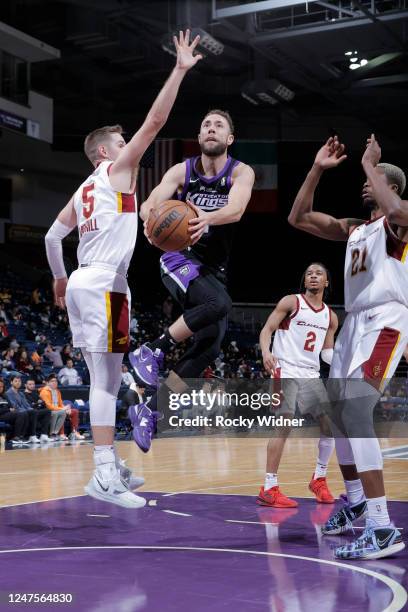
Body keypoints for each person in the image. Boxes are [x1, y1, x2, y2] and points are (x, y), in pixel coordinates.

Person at [44, 30, 202, 508]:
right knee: (106, 382)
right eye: (120, 140)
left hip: (88, 282)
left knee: (105, 379)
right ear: (105, 153)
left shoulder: (83, 190)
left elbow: (54, 238)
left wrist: (59, 279)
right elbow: (155, 122)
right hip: (104, 284)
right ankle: (103, 474)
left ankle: (110, 467)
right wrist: (179, 70)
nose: (128, 142)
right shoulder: (116, 173)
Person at [288, 134, 408, 560]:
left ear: (390, 186)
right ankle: (357, 498)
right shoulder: (356, 229)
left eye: (376, 180)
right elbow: (297, 217)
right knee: (336, 418)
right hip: (355, 323)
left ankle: (381, 526)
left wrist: (371, 164)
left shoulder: (398, 221)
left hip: (387, 320)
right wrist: (317, 168)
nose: (365, 183)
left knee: (356, 409)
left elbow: (396, 210)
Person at [129, 109, 255, 452]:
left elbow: (238, 209)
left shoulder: (241, 172)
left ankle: (150, 411)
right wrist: (150, 218)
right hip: (179, 258)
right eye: (205, 125)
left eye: (218, 126)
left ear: (229, 139)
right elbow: (149, 204)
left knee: (208, 350)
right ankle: (152, 348)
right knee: (220, 304)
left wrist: (206, 218)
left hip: (215, 271)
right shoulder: (181, 171)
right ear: (200, 137)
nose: (210, 128)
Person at [258, 263, 338, 508]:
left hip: (310, 374)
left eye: (319, 273)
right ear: (305, 281)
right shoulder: (291, 302)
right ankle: (269, 487)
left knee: (330, 425)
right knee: (284, 424)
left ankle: (319, 479)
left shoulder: (331, 316)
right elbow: (267, 329)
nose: (313, 276)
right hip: (286, 368)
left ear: (326, 283)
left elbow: (327, 353)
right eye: (309, 273)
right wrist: (265, 352)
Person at [5, 375, 50, 444]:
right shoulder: (8, 393)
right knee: (31, 412)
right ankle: (31, 435)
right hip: (17, 412)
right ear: (11, 382)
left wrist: (31, 409)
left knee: (46, 411)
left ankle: (43, 434)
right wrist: (29, 410)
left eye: (19, 381)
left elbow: (27, 405)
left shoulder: (20, 393)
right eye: (16, 381)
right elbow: (14, 406)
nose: (18, 383)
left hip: (25, 411)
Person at [39, 374, 83, 440]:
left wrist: (67, 408)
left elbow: (60, 403)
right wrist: (63, 409)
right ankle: (61, 434)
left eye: (56, 381)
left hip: (58, 409)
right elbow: (48, 406)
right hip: (49, 411)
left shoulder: (57, 391)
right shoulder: (44, 392)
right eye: (52, 381)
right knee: (61, 412)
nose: (55, 383)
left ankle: (74, 432)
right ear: (47, 383)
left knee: (75, 411)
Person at [0, 377, 29, 445]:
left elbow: (11, 406)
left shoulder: (4, 396)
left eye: (2, 386)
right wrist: (8, 409)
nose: (0, 388)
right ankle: (15, 437)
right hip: (1, 415)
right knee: (19, 414)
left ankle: (21, 436)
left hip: (7, 414)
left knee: (24, 413)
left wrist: (10, 409)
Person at [24, 378, 52, 442]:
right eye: (30, 384)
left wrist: (37, 404)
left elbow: (43, 403)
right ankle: (32, 436)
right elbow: (29, 406)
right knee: (35, 411)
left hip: (37, 411)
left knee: (47, 411)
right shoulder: (23, 394)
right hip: (29, 412)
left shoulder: (35, 394)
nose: (32, 385)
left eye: (33, 384)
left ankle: (44, 435)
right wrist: (38, 404)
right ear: (25, 385)